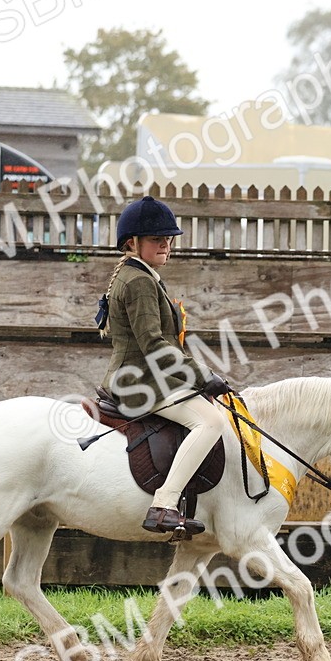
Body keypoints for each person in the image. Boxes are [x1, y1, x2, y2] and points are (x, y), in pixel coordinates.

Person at [95, 195, 233, 536]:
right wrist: (203, 376)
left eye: (168, 238)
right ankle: (164, 504)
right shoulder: (139, 281)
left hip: (147, 376)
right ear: (133, 243)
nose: (166, 244)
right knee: (211, 422)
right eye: (158, 239)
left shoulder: (140, 274)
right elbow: (155, 346)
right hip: (139, 381)